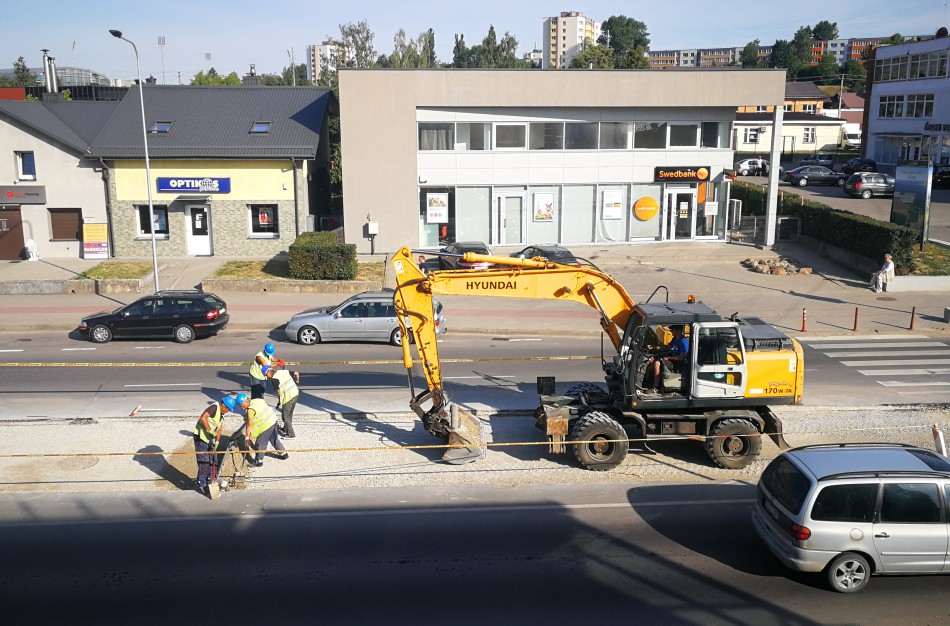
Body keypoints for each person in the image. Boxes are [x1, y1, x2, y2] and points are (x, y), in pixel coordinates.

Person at [193, 395, 238, 496]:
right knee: (204, 461)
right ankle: (202, 484)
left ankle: (210, 481)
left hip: (209, 438)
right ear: (224, 406)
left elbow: (219, 430)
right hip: (201, 437)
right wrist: (210, 431)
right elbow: (203, 417)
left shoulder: (221, 416)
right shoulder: (215, 407)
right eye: (228, 409)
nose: (227, 412)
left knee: (213, 460)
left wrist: (217, 441)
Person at [241, 394, 289, 467]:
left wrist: (247, 437)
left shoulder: (250, 410)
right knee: (274, 439)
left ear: (245, 401)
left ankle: (258, 462)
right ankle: (284, 454)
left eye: (242, 405)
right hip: (272, 420)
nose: (242, 408)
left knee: (260, 443)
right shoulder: (257, 400)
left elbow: (249, 424)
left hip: (265, 426)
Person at [643, 325, 689, 395]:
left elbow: (682, 357)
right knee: (654, 359)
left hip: (679, 363)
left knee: (657, 363)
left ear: (678, 330)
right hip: (673, 359)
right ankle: (646, 382)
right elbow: (667, 347)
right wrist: (654, 347)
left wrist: (668, 358)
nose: (671, 332)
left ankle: (656, 387)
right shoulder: (675, 339)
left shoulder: (683, 341)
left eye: (672, 330)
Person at [263, 364, 301, 438]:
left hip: (288, 397)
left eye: (266, 375)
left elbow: (278, 392)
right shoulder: (283, 372)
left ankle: (291, 434)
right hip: (295, 393)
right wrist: (297, 381)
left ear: (268, 372)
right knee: (289, 414)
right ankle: (286, 428)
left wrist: (280, 400)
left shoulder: (274, 379)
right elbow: (296, 373)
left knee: (285, 416)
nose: (267, 377)